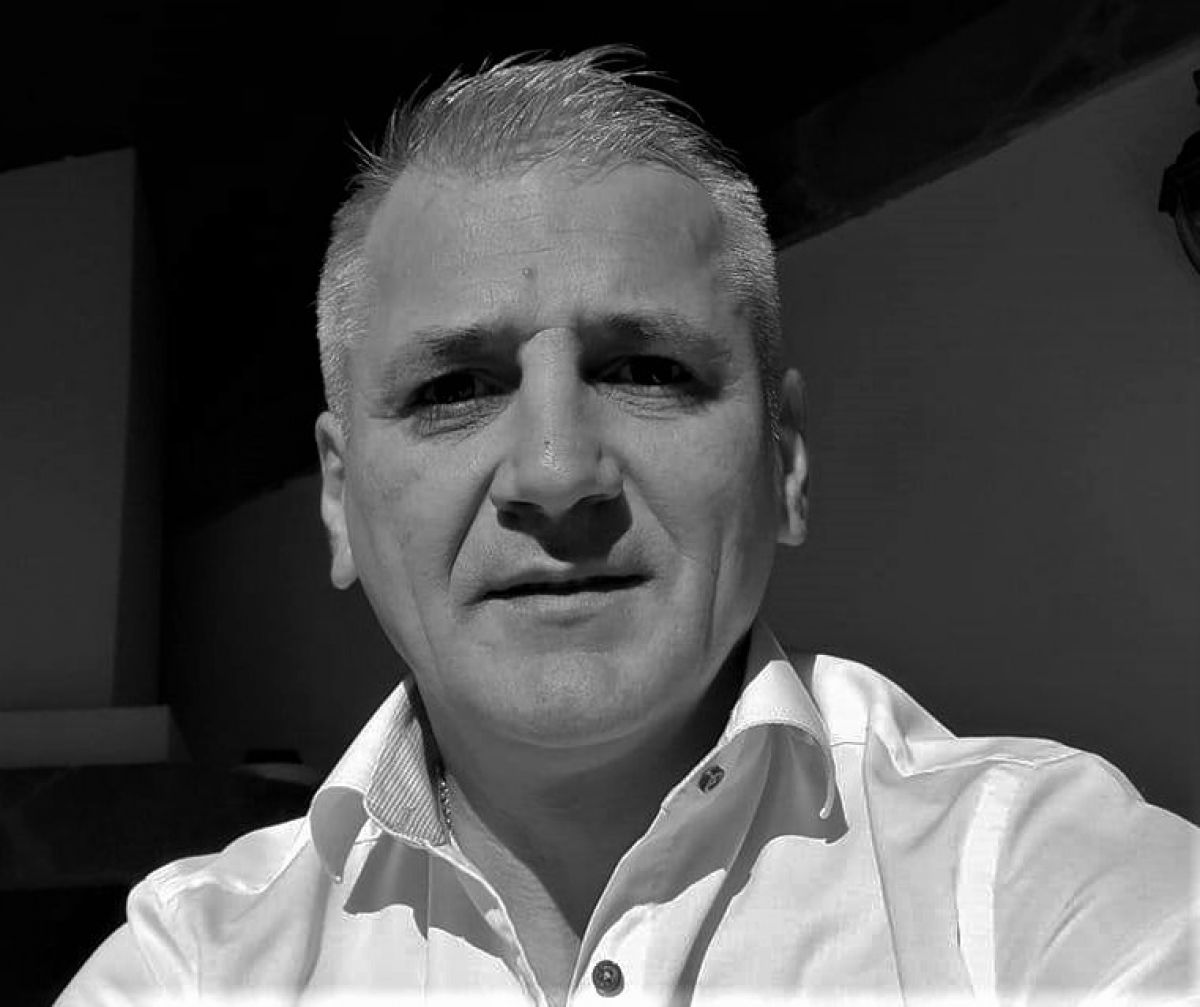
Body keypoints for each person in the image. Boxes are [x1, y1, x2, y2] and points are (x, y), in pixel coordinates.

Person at [59, 46, 1195, 1006]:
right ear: (335, 496)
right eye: (454, 388)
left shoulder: (1042, 886)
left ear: (785, 461)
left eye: (645, 368)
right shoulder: (187, 967)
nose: (557, 473)